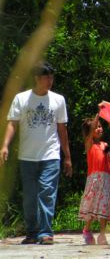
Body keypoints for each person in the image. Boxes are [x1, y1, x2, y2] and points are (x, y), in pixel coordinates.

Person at [0, 62, 73, 245]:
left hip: (51, 155)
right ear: (36, 78)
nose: (49, 81)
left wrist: (67, 157)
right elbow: (12, 123)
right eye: (46, 77)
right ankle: (32, 231)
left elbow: (62, 129)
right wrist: (5, 146)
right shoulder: (21, 99)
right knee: (30, 197)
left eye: (51, 77)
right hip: (27, 156)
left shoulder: (58, 100)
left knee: (47, 193)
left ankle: (45, 233)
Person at [78, 113, 110, 245]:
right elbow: (91, 129)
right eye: (96, 127)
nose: (99, 129)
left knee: (104, 205)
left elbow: (109, 163)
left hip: (106, 179)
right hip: (94, 179)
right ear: (89, 132)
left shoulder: (105, 145)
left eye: (100, 126)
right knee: (92, 204)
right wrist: (99, 114)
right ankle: (87, 230)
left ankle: (102, 234)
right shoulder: (89, 144)